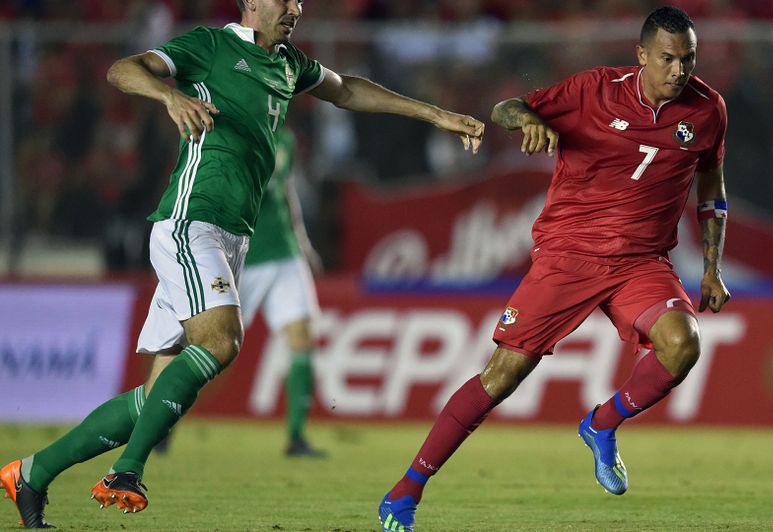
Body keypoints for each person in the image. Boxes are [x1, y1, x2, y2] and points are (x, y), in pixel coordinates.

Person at [0, 0, 484, 527]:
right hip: (192, 221)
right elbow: (123, 69)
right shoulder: (210, 46)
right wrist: (170, 95)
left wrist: (435, 114)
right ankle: (127, 471)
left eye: (299, 0)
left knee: (155, 399)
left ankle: (31, 473)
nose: (296, 8)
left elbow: (345, 89)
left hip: (234, 237)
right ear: (252, 0)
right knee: (221, 341)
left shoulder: (290, 64)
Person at [378, 6, 730, 532]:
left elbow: (712, 191)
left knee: (683, 343)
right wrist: (531, 120)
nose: (679, 70)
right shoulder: (594, 90)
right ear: (641, 55)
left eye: (688, 59)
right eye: (667, 59)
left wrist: (711, 268)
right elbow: (506, 108)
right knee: (504, 375)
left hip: (641, 262)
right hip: (570, 252)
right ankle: (404, 493)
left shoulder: (708, 110)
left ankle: (601, 424)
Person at [154, 127, 327, 458]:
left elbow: (286, 190)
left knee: (303, 337)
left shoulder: (285, 138)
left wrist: (303, 242)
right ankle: (162, 423)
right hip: (236, 254)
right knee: (206, 346)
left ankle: (296, 437)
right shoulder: (226, 131)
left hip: (284, 252)